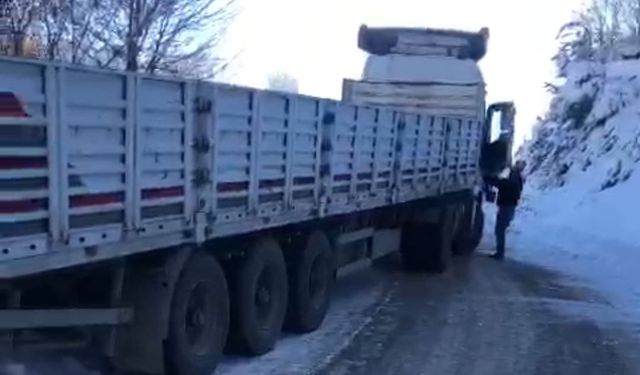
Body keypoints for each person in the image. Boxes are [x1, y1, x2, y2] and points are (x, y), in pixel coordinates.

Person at [488, 160, 526, 260]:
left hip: (506, 207)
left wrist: (494, 181)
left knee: (499, 229)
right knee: (500, 229)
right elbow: (505, 185)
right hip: (508, 206)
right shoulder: (517, 178)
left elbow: (505, 185)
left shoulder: (515, 177)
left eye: (518, 165)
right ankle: (499, 252)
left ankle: (500, 253)